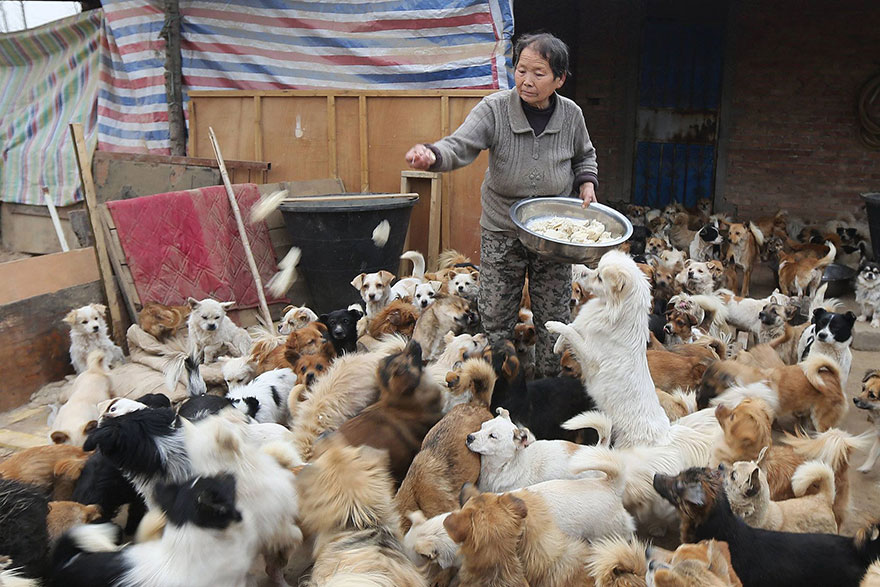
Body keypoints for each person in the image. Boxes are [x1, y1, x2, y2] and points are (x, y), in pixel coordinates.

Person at [405, 32, 598, 378]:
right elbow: (461, 144)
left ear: (559, 78)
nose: (526, 80)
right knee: (495, 315)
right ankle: (497, 386)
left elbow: (585, 155)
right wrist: (432, 154)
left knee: (554, 315)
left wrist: (586, 182)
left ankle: (548, 386)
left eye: (538, 73)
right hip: (503, 230)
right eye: (521, 70)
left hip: (553, 233)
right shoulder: (495, 109)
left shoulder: (571, 115)